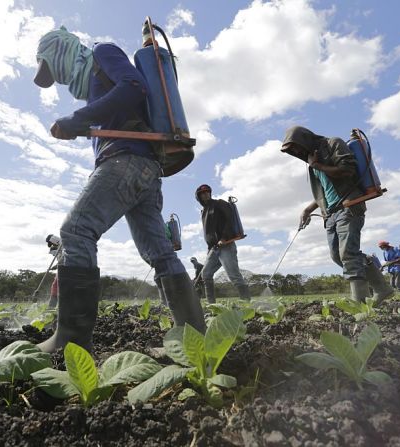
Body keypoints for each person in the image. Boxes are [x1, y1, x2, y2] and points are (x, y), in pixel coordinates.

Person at [32, 26, 205, 352]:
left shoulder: (102, 52)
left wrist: (78, 119)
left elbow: (134, 86)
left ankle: (69, 342)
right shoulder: (91, 86)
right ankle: (195, 339)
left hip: (126, 163)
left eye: (52, 67)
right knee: (160, 253)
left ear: (60, 49)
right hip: (144, 170)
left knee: (76, 230)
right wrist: (84, 123)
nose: (56, 76)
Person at [280, 126, 393, 303]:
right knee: (336, 255)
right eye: (291, 151)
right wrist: (308, 209)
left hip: (349, 205)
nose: (296, 151)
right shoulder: (312, 161)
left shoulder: (333, 143)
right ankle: (382, 288)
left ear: (304, 139)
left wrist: (318, 165)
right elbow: (325, 192)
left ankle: (360, 302)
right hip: (330, 213)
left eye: (295, 146)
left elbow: (348, 170)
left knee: (348, 253)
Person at [195, 184, 250, 303]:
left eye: (207, 192)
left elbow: (229, 220)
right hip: (213, 248)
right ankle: (211, 304)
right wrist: (209, 249)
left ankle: (246, 303)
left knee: (233, 275)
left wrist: (224, 237)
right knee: (206, 273)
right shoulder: (203, 211)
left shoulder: (219, 203)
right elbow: (209, 233)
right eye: (202, 193)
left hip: (226, 245)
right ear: (199, 197)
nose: (206, 194)